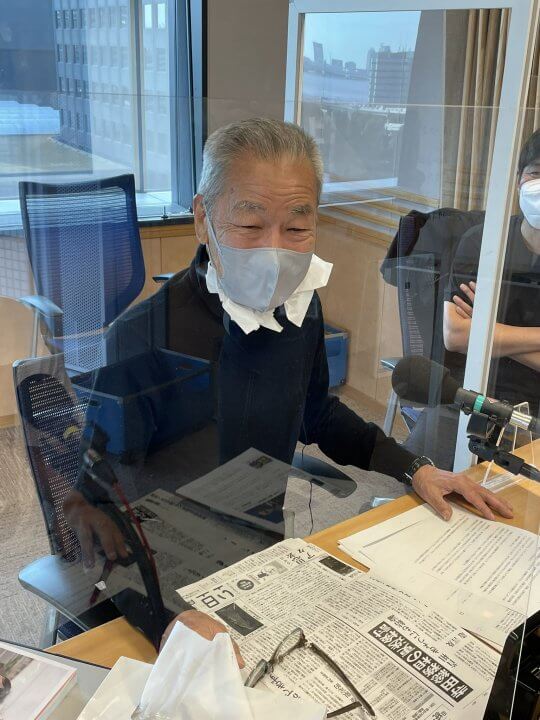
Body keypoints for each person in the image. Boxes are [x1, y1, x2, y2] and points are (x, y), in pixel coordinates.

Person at [66, 118, 512, 656]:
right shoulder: (145, 336)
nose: (275, 251)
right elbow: (104, 505)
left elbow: (316, 412)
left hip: (259, 550)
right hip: (166, 570)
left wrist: (414, 467)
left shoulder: (301, 308)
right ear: (203, 219)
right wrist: (166, 619)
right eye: (250, 225)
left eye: (297, 229)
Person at [405, 129, 540, 468]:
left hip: (536, 410)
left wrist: (486, 329)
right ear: (518, 180)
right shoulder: (483, 242)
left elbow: (472, 336)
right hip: (471, 393)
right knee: (417, 479)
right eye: (536, 173)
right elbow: (455, 336)